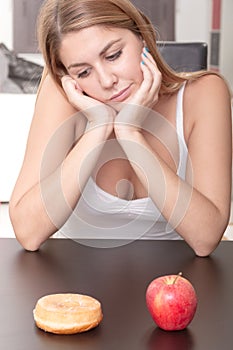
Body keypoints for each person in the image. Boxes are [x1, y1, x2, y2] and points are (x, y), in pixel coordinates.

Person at [9, 0, 232, 256]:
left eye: (113, 55)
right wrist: (98, 126)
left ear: (142, 36)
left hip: (175, 281)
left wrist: (129, 131)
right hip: (76, 286)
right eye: (83, 72)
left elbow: (206, 238)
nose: (106, 81)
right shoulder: (62, 95)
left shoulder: (204, 93)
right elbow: (28, 233)